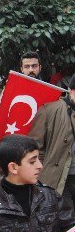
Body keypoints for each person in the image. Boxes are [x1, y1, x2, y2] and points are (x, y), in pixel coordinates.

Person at [28, 75, 75, 213]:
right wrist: (42, 172)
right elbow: (33, 148)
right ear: (71, 91)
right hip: (56, 180)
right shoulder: (49, 111)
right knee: (63, 225)